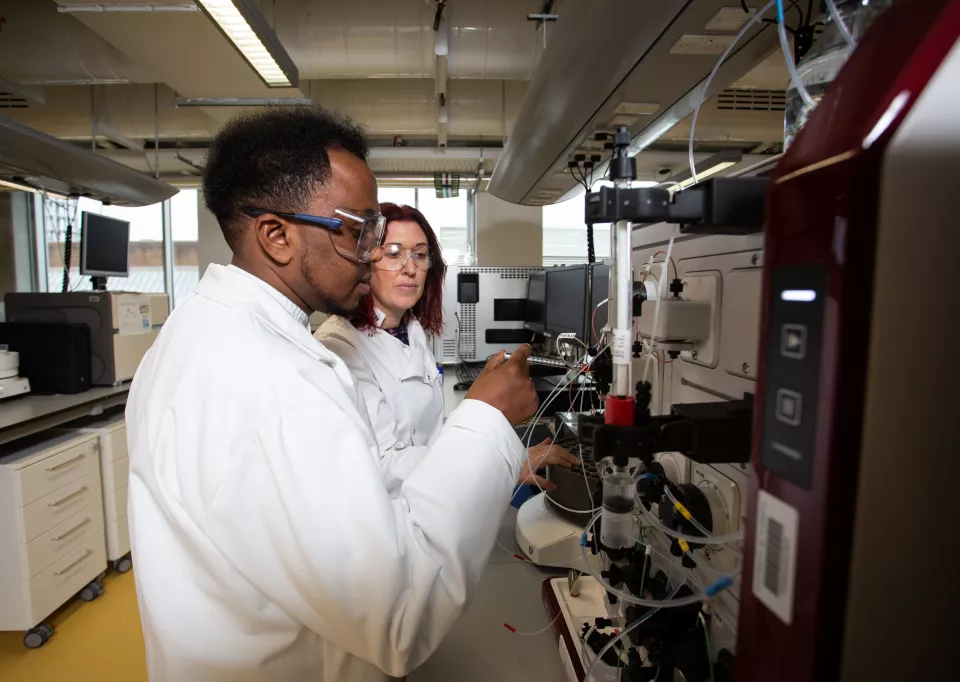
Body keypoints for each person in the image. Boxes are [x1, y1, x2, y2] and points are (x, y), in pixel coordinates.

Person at [124, 106, 539, 682]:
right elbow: (402, 615)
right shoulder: (272, 380)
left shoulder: (199, 333)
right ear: (276, 235)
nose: (374, 253)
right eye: (357, 230)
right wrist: (489, 419)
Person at [315, 203, 578, 498]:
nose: (410, 268)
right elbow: (383, 466)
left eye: (420, 254)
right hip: (394, 513)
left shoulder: (411, 330)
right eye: (393, 253)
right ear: (366, 260)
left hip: (436, 491)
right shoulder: (339, 347)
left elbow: (431, 433)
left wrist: (509, 452)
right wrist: (495, 449)